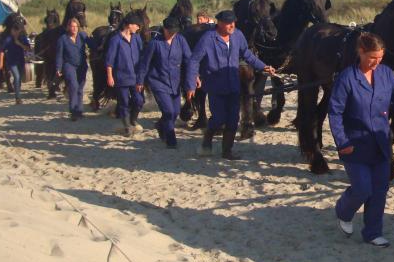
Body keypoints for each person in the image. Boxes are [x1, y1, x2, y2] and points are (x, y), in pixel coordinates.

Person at [328, 32, 394, 247]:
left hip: (381, 143)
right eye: (372, 58)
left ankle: (373, 232)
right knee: (362, 189)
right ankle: (343, 210)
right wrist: (342, 142)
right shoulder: (347, 78)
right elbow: (335, 112)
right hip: (354, 145)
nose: (376, 62)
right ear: (360, 52)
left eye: (380, 58)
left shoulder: (386, 74)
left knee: (379, 189)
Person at [186, 9, 275, 159]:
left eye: (233, 22)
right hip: (215, 85)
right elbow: (194, 60)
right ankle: (207, 138)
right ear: (219, 23)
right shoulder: (208, 38)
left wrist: (263, 66)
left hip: (233, 84)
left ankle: (227, 151)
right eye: (228, 23)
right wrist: (190, 84)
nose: (231, 25)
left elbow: (246, 54)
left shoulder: (238, 35)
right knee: (219, 118)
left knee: (233, 120)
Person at [136, 16, 192, 148]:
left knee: (176, 111)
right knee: (168, 111)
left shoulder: (181, 40)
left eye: (175, 31)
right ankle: (171, 141)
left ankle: (161, 125)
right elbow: (144, 64)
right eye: (170, 31)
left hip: (175, 82)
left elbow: (189, 60)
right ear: (164, 30)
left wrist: (195, 76)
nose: (172, 33)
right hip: (158, 81)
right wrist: (140, 81)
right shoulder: (154, 43)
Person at [105, 12, 144, 136]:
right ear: (129, 25)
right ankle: (127, 126)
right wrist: (110, 76)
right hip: (121, 77)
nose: (138, 28)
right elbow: (109, 60)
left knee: (139, 100)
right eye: (137, 25)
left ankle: (133, 119)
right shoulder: (115, 40)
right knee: (123, 102)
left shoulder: (137, 38)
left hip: (135, 76)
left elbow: (142, 55)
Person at [56, 17, 93, 121]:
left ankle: (79, 110)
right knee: (74, 86)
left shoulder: (82, 36)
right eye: (72, 26)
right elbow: (59, 55)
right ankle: (73, 110)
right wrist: (58, 68)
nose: (74, 28)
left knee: (80, 88)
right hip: (69, 65)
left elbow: (91, 44)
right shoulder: (63, 39)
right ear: (68, 27)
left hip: (82, 65)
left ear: (78, 27)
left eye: (76, 26)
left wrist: (97, 43)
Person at [0, 23, 31, 104]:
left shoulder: (23, 38)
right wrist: (1, 62)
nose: (15, 32)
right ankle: (18, 98)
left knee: (19, 79)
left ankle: (16, 88)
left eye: (17, 31)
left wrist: (19, 43)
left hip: (20, 61)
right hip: (11, 62)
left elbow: (28, 48)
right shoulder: (8, 39)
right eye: (13, 30)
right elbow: (2, 50)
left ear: (19, 31)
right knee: (17, 76)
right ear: (12, 30)